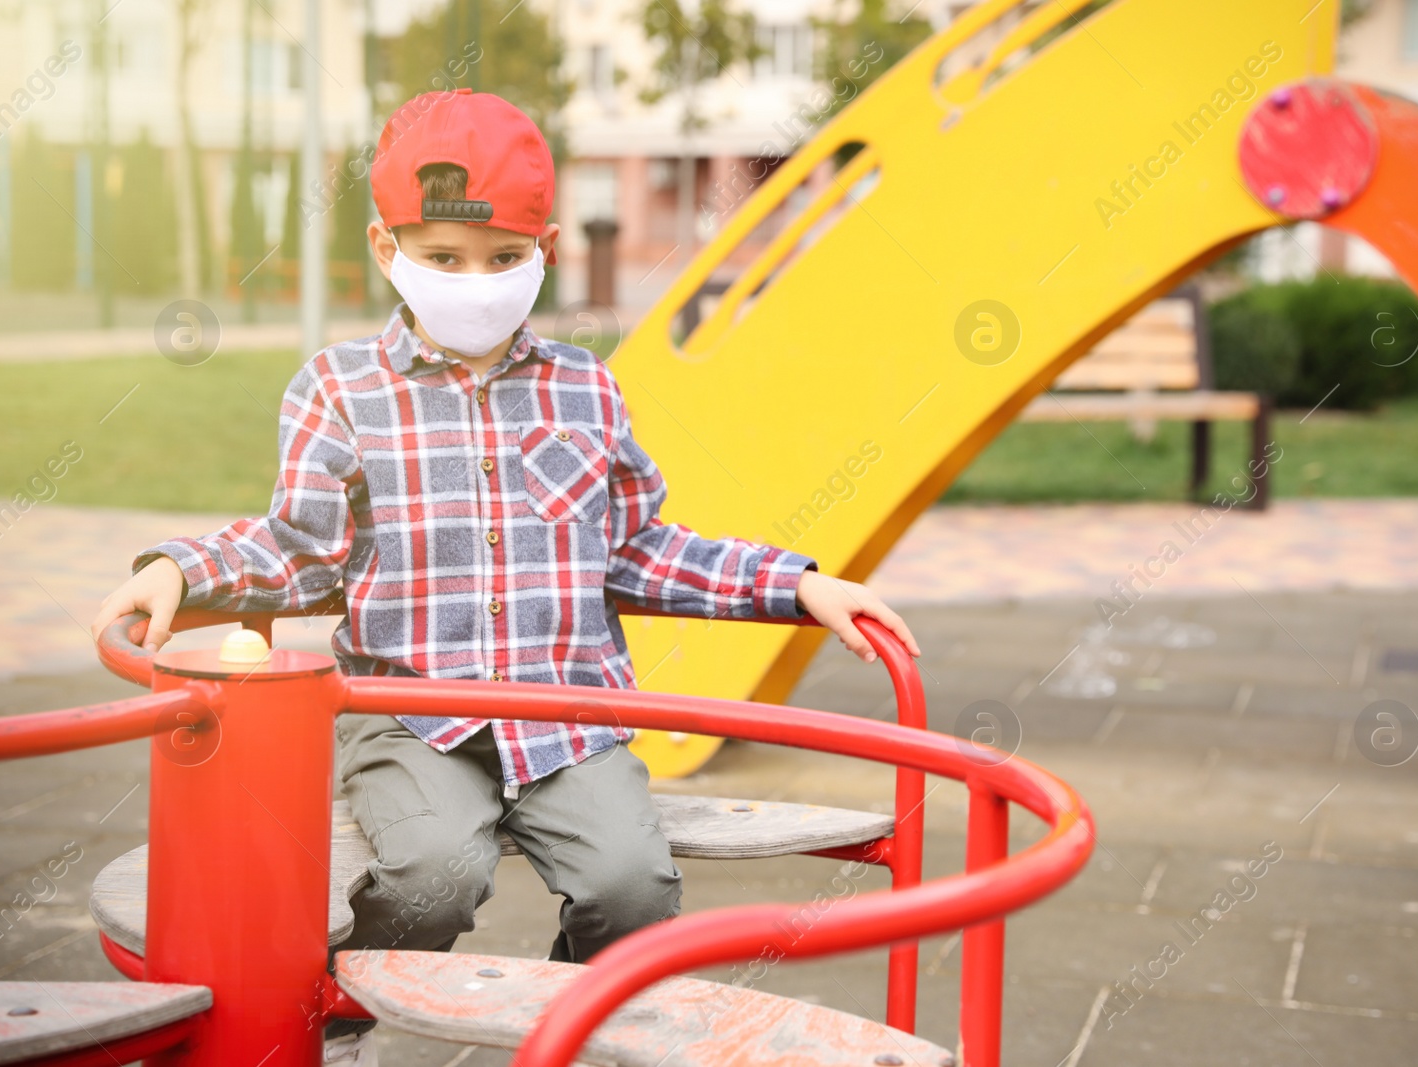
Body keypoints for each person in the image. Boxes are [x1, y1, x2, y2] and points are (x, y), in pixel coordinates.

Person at [88, 89, 919, 1066]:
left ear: (548, 249)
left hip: (564, 713)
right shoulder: (339, 388)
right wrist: (180, 570)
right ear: (387, 247)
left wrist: (798, 584)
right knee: (435, 868)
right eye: (444, 258)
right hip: (412, 710)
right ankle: (336, 1030)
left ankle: (569, 1034)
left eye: (501, 259)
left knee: (633, 886)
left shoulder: (584, 386)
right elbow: (297, 545)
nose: (473, 281)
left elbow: (639, 547)